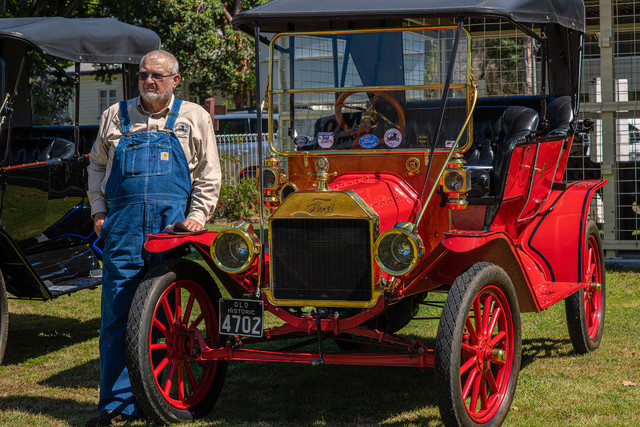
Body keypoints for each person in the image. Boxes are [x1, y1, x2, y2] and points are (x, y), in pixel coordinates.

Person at [85, 50, 221, 426]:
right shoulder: (116, 115)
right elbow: (97, 165)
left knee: (164, 320)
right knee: (116, 318)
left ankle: (159, 397)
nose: (149, 81)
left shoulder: (195, 117)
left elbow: (209, 175)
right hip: (124, 230)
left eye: (158, 75)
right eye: (144, 74)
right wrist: (98, 211)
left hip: (170, 233)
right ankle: (117, 405)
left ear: (175, 80)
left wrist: (196, 216)